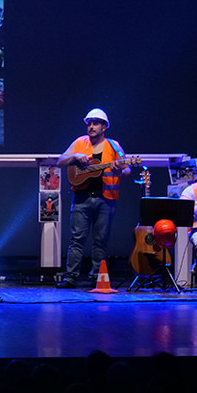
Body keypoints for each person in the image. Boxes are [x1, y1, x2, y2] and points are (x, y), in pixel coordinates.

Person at [56, 108, 130, 288]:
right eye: (89, 123)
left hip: (105, 199)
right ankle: (71, 277)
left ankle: (97, 276)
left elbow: (127, 169)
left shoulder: (114, 146)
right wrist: (74, 156)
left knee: (100, 240)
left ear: (104, 127)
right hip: (81, 197)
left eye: (95, 123)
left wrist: (119, 171)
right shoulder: (79, 142)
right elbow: (60, 161)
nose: (91, 127)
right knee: (77, 239)